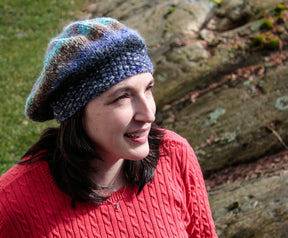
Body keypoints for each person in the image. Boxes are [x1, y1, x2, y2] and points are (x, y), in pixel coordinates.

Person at [0, 17, 217, 237]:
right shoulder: (12, 200)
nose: (149, 114)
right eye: (122, 97)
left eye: (148, 89)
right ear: (76, 112)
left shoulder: (174, 155)